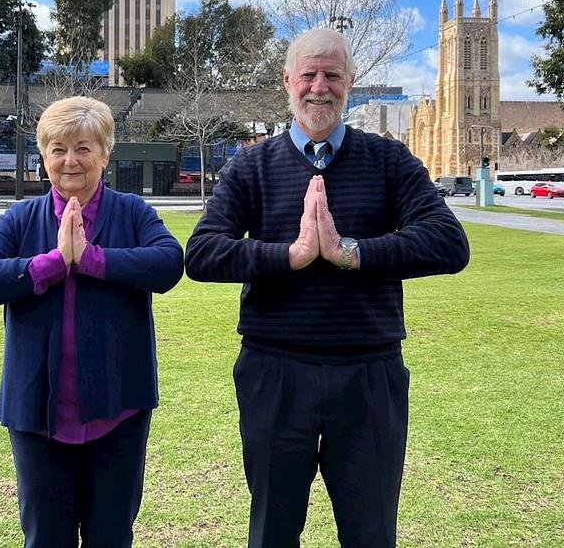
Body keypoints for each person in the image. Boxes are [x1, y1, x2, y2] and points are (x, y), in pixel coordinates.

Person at [185, 28, 470, 548]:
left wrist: (350, 252)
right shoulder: (252, 166)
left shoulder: (389, 160)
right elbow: (201, 253)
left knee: (370, 533)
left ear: (351, 83)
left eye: (333, 75)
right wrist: (289, 256)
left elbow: (450, 244)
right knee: (272, 531)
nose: (320, 87)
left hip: (368, 374)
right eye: (309, 74)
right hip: (275, 373)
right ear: (288, 81)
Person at [0, 96, 184, 548]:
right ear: (44, 157)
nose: (70, 160)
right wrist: (54, 262)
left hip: (117, 413)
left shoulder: (132, 213)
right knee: (46, 539)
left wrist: (92, 259)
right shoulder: (21, 218)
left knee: (111, 537)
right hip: (37, 418)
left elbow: (168, 263)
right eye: (58, 148)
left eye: (84, 147)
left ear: (105, 154)